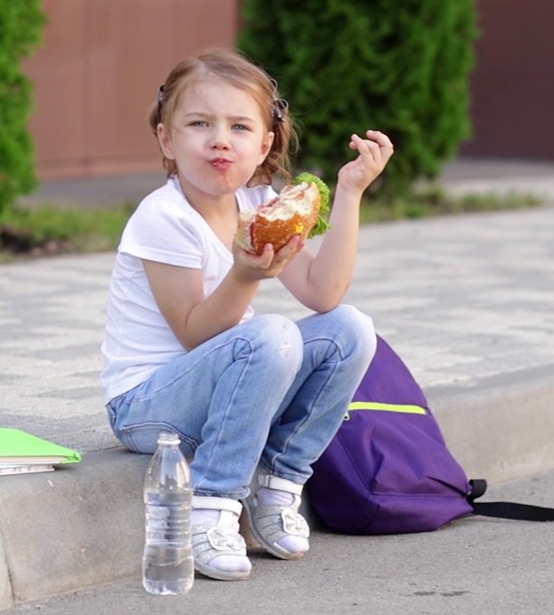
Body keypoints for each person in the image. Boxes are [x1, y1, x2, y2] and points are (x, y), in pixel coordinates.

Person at [99, 47, 393, 581]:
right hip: (148, 406)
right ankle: (210, 505)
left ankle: (279, 483)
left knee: (350, 328)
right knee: (269, 333)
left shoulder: (259, 204)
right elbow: (194, 333)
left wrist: (349, 193)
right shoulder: (162, 218)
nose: (219, 139)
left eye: (239, 126)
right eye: (198, 123)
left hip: (227, 393)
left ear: (263, 145)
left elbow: (323, 293)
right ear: (166, 138)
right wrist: (246, 276)